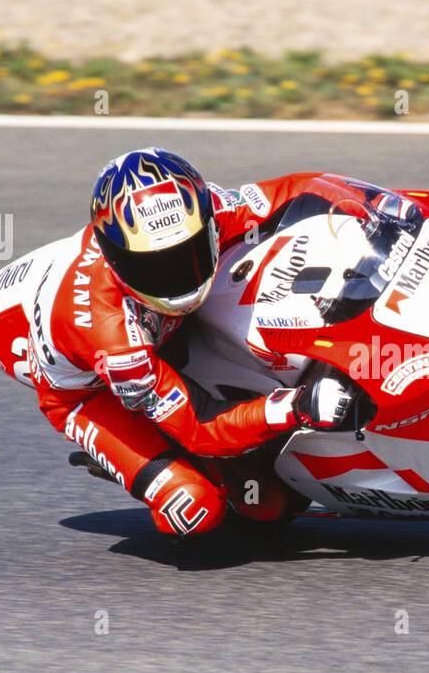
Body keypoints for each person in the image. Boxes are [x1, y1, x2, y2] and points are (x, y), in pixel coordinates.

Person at [28, 147, 365, 538]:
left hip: (172, 329)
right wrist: (296, 406)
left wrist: (381, 208)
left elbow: (300, 190)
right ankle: (182, 465)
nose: (176, 278)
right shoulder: (114, 339)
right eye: (154, 266)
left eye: (187, 253)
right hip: (91, 393)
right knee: (220, 506)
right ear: (116, 258)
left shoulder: (212, 209)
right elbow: (199, 428)